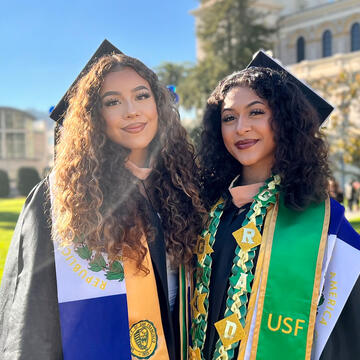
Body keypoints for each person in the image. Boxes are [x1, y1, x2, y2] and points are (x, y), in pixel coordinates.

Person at [0, 40, 204, 360]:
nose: (132, 110)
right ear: (94, 117)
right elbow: (31, 311)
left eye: (141, 95)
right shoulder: (60, 197)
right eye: (113, 101)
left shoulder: (183, 187)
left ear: (158, 104)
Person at [189, 51, 360, 360]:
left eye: (256, 112)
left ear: (284, 121)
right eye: (229, 117)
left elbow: (347, 327)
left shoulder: (322, 221)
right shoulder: (207, 211)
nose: (241, 127)